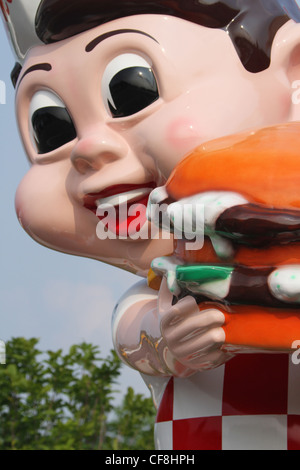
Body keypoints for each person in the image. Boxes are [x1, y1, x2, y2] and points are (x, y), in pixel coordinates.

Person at [2, 0, 300, 449]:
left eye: (131, 91)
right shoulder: (162, 292)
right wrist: (171, 338)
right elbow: (138, 334)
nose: (90, 147)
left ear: (292, 74)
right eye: (52, 126)